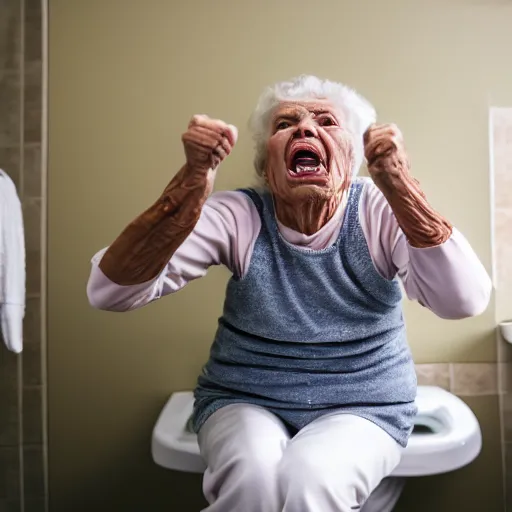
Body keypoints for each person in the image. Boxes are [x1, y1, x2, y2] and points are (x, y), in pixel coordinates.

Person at [87, 75, 491, 512]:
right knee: (252, 479)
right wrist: (190, 182)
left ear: (351, 155)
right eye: (285, 124)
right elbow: (110, 291)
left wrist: (401, 187)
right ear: (267, 167)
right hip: (244, 398)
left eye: (325, 120)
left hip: (365, 403)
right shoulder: (240, 214)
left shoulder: (377, 207)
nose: (303, 128)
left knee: (312, 478)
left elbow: (464, 301)